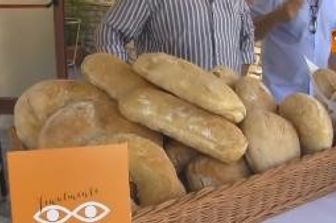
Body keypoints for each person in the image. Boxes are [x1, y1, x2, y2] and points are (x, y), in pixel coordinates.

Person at [95, 0, 255, 75]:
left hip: (224, 117)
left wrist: (237, 84)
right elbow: (110, 32)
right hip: (167, 113)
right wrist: (123, 83)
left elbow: (247, 36)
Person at [249, 0, 336, 101]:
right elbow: (247, 31)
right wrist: (276, 16)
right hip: (278, 101)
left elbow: (333, 38)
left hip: (319, 104)